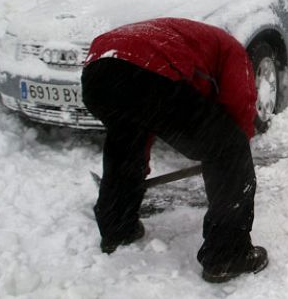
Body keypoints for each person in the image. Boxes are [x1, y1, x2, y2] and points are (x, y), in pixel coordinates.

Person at [81, 17, 268, 283]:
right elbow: (240, 103)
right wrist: (235, 155)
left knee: (127, 139)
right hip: (143, 70)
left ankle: (118, 227)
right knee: (229, 147)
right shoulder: (233, 50)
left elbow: (147, 116)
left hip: (98, 72)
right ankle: (227, 255)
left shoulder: (189, 40)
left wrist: (136, 170)